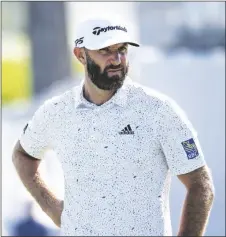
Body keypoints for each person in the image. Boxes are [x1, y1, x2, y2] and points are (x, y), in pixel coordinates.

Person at [12, 17, 215, 236]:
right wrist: (53, 209)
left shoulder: (159, 111)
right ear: (81, 55)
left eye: (122, 49)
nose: (116, 59)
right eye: (105, 50)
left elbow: (200, 185)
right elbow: (23, 156)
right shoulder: (56, 111)